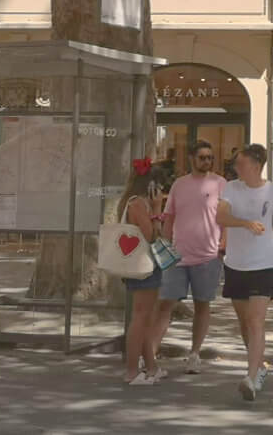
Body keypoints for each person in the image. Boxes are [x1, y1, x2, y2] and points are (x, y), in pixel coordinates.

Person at [216, 143, 273, 401]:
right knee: (245, 323)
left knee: (256, 321)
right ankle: (258, 367)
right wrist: (245, 223)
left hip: (263, 264)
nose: (236, 168)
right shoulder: (231, 188)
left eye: (240, 163)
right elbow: (220, 217)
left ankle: (251, 376)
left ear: (255, 166)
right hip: (235, 264)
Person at [152, 141, 226, 372]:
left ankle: (194, 353)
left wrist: (224, 244)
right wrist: (164, 248)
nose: (207, 161)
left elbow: (228, 218)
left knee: (202, 305)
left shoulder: (220, 184)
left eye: (210, 158)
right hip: (178, 257)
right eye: (202, 157)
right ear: (192, 158)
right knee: (165, 305)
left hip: (209, 256)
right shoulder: (179, 185)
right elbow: (169, 217)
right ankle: (150, 354)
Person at [118, 158, 166, 385]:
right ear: (151, 185)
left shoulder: (134, 201)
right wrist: (157, 209)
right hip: (143, 266)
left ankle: (152, 367)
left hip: (145, 264)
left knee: (145, 317)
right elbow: (152, 236)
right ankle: (131, 370)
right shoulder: (138, 204)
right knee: (140, 317)